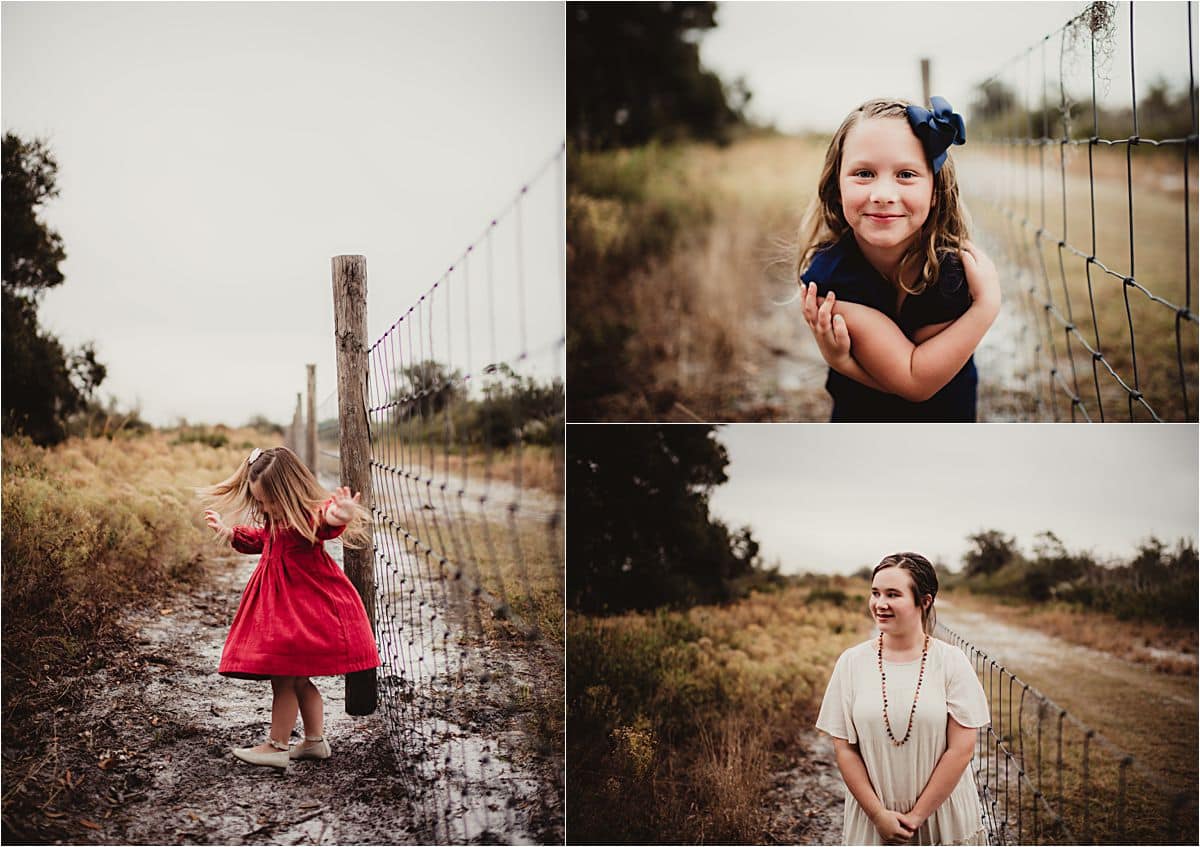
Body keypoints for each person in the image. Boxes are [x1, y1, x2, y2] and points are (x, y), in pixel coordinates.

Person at [795, 97, 1001, 422]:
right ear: (836, 187)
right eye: (864, 173)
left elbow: (920, 386)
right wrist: (985, 307)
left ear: (935, 192)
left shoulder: (949, 271)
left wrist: (845, 363)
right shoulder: (832, 279)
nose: (883, 194)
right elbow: (913, 379)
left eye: (906, 174)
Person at [200, 446, 380, 771]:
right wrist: (230, 533)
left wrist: (339, 515)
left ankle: (276, 745)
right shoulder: (278, 521)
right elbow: (264, 540)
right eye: (260, 501)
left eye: (269, 501)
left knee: (284, 680)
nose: (265, 507)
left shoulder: (305, 518)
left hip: (301, 614)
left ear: (288, 491)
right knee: (297, 680)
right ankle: (314, 741)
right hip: (287, 614)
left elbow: (325, 522)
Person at [816, 553, 990, 845]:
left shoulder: (951, 662)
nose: (879, 604)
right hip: (874, 817)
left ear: (925, 601)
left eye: (893, 594)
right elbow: (844, 749)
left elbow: (962, 749)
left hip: (942, 817)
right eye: (875, 593)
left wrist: (918, 815)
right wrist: (877, 815)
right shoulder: (852, 662)